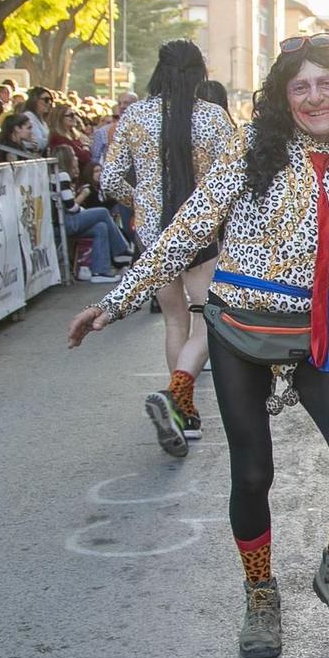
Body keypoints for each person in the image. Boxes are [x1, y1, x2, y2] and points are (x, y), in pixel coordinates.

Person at [70, 37, 329, 658]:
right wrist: (114, 302)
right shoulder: (250, 153)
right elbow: (184, 230)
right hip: (237, 327)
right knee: (253, 472)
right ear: (283, 99)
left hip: (317, 332)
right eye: (301, 87)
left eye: (328, 84)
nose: (316, 97)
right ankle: (260, 595)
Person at [100, 39, 233, 453]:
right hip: (202, 234)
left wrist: (139, 199)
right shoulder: (213, 118)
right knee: (213, 319)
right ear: (199, 73)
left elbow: (108, 181)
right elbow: (236, 177)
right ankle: (179, 394)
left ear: (158, 71)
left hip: (153, 236)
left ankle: (184, 409)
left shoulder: (134, 116)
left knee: (175, 321)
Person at [53, 146, 131, 283]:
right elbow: (71, 207)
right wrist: (82, 196)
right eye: (73, 155)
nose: (76, 157)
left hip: (65, 220)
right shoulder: (62, 176)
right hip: (67, 221)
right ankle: (120, 250)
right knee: (102, 212)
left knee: (100, 227)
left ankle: (100, 271)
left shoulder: (56, 176)